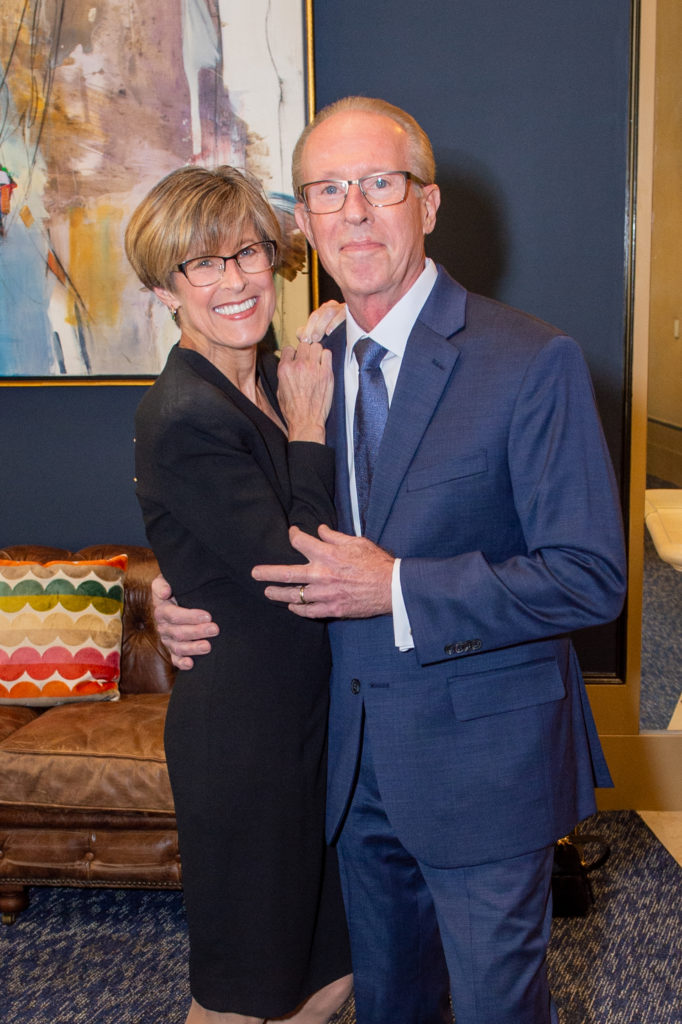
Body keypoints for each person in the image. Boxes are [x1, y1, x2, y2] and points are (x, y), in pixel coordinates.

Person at [153, 99, 627, 1024]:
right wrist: (177, 595)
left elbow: (589, 573)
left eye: (381, 184)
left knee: (497, 1008)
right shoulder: (303, 362)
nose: (357, 211)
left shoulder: (533, 360)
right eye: (330, 190)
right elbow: (255, 519)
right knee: (391, 1006)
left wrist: (398, 585)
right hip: (345, 767)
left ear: (430, 204)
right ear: (304, 221)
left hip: (485, 769)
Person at [125, 165, 352, 1024]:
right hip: (245, 741)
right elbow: (298, 568)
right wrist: (307, 428)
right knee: (241, 991)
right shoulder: (186, 412)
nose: (235, 281)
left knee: (333, 963)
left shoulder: (257, 380)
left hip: (307, 720)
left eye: (248, 252)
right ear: (163, 290)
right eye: (203, 266)